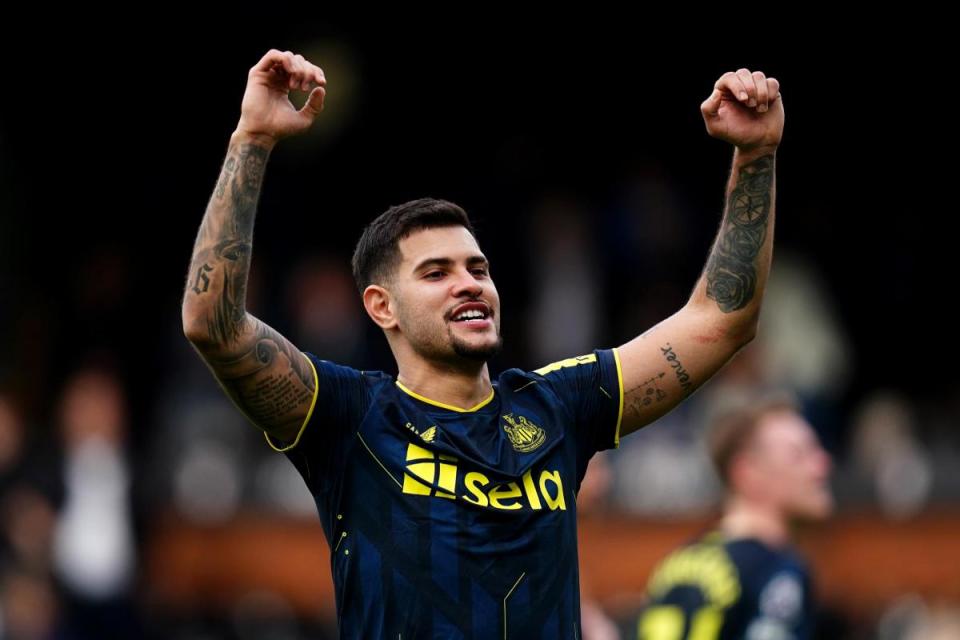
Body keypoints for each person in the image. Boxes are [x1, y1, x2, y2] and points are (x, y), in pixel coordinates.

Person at [180, 48, 783, 639]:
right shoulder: (347, 417)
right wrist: (251, 140)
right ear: (380, 307)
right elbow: (214, 325)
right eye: (436, 273)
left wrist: (755, 154)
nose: (469, 284)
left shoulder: (559, 406)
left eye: (478, 268)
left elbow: (724, 320)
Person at [635, 391, 833, 640]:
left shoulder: (675, 564)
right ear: (747, 472)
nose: (822, 465)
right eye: (799, 455)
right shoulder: (778, 572)